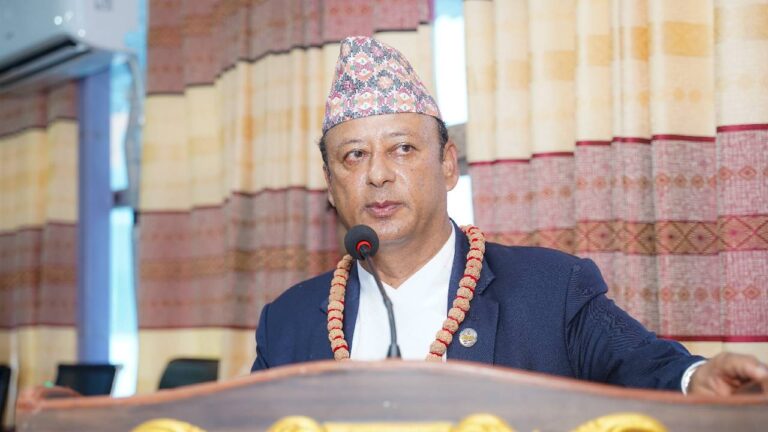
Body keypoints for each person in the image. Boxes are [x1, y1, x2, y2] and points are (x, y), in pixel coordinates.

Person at [251, 36, 768, 395]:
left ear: (448, 165)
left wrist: (696, 378)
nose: (378, 175)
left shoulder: (550, 289)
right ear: (331, 186)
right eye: (354, 156)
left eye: (403, 149)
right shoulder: (288, 321)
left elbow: (643, 363)